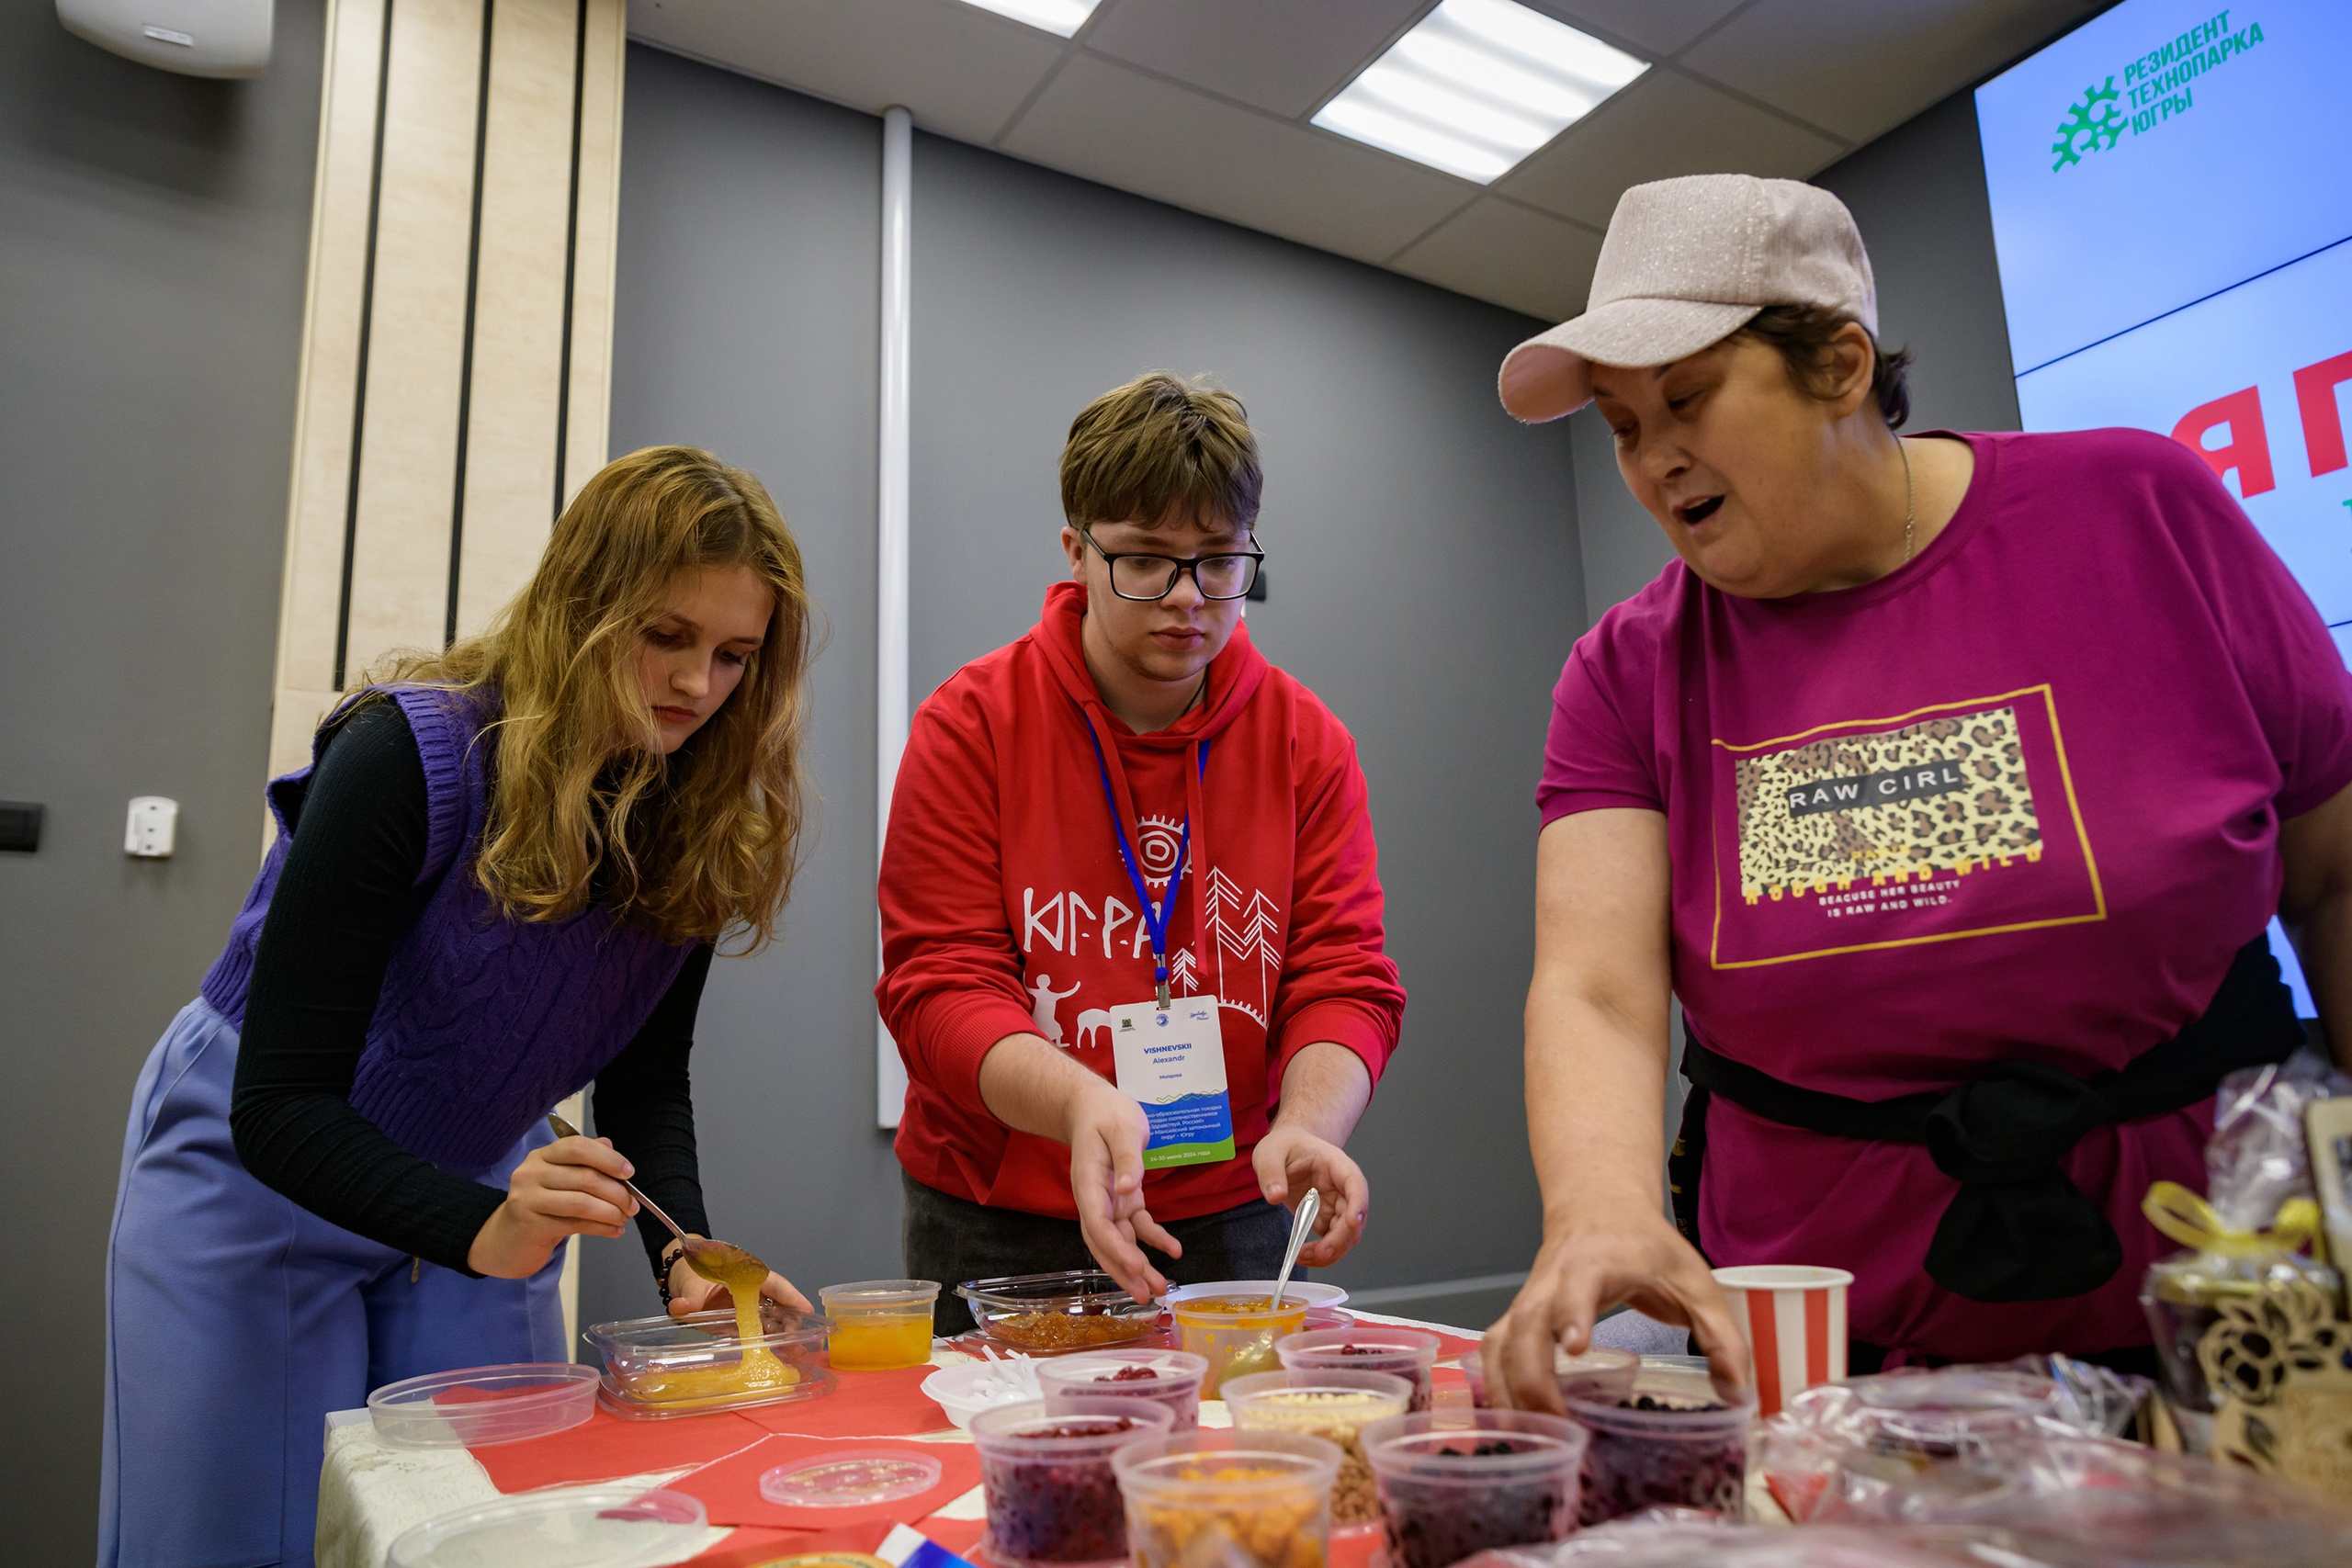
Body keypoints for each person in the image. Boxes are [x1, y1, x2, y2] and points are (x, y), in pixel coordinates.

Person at [1479, 175, 2352, 1409]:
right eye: (1622, 425)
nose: (1654, 455)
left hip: (2230, 1325)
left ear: (1840, 364)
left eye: (1687, 397)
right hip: (1828, 1362)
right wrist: (1600, 1208)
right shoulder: (1630, 668)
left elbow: (2335, 873)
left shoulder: (2142, 513)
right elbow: (1599, 989)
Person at [101, 446, 817, 1565]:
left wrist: (681, 1249)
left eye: (735, 655)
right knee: (244, 1537)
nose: (696, 686)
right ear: (582, 609)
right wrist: (485, 1229)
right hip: (257, 1171)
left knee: (483, 1530)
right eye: (665, 637)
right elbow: (282, 1103)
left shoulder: (700, 819)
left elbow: (641, 1080)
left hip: (484, 1175)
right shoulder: (404, 753)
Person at [878, 372, 1407, 1325]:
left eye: (1216, 561)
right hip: (1001, 1209)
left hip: (1236, 1203)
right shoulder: (971, 725)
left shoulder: (1305, 742)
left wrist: (1305, 1127)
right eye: (1145, 561)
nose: (1186, 599)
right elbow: (938, 986)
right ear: (1077, 552)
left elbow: (1343, 976)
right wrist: (1080, 1105)